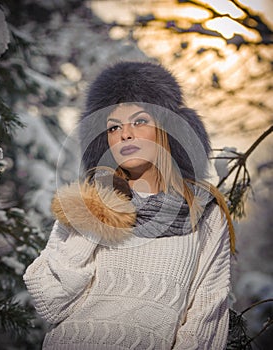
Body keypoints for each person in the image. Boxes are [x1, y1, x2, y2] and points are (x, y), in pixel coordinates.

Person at [23, 61, 235, 349]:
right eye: (113, 127)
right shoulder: (89, 199)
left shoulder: (205, 213)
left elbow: (205, 320)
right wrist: (98, 212)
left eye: (139, 121)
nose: (125, 134)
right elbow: (50, 301)